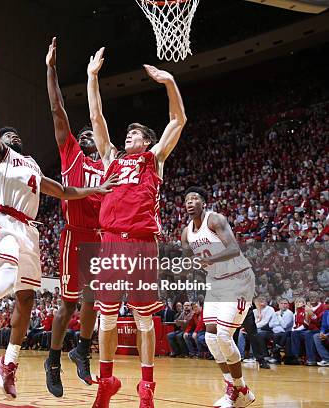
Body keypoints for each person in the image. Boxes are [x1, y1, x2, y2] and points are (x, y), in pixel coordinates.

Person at [0, 51, 116, 400]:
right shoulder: (1, 158)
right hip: (4, 220)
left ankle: (9, 363)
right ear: (0, 144)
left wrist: (92, 190)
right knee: (6, 281)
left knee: (26, 299)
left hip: (29, 231)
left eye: (16, 136)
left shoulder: (33, 166)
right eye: (8, 136)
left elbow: (64, 190)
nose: (13, 137)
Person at [87, 47, 187, 407]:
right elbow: (97, 117)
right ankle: (107, 381)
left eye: (134, 134)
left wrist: (170, 81)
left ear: (146, 141)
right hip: (111, 242)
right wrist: (92, 77)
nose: (128, 136)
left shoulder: (153, 159)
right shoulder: (111, 159)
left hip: (143, 244)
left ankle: (146, 387)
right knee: (107, 320)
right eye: (126, 134)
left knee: (145, 322)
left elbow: (178, 121)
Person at [44, 37, 103, 397]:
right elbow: (57, 110)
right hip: (75, 235)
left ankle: (81, 350)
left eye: (88, 135)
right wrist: (50, 70)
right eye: (79, 136)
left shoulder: (108, 163)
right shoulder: (72, 156)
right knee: (67, 304)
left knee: (94, 299)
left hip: (100, 236)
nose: (83, 137)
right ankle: (52, 359)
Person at [181, 187, 256, 407]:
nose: (190, 202)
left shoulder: (215, 220)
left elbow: (233, 248)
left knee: (224, 335)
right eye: (186, 200)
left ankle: (238, 387)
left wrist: (209, 260)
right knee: (210, 338)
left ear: (203, 203)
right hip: (215, 282)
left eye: (195, 199)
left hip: (238, 278)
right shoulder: (186, 233)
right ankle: (235, 387)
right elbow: (188, 261)